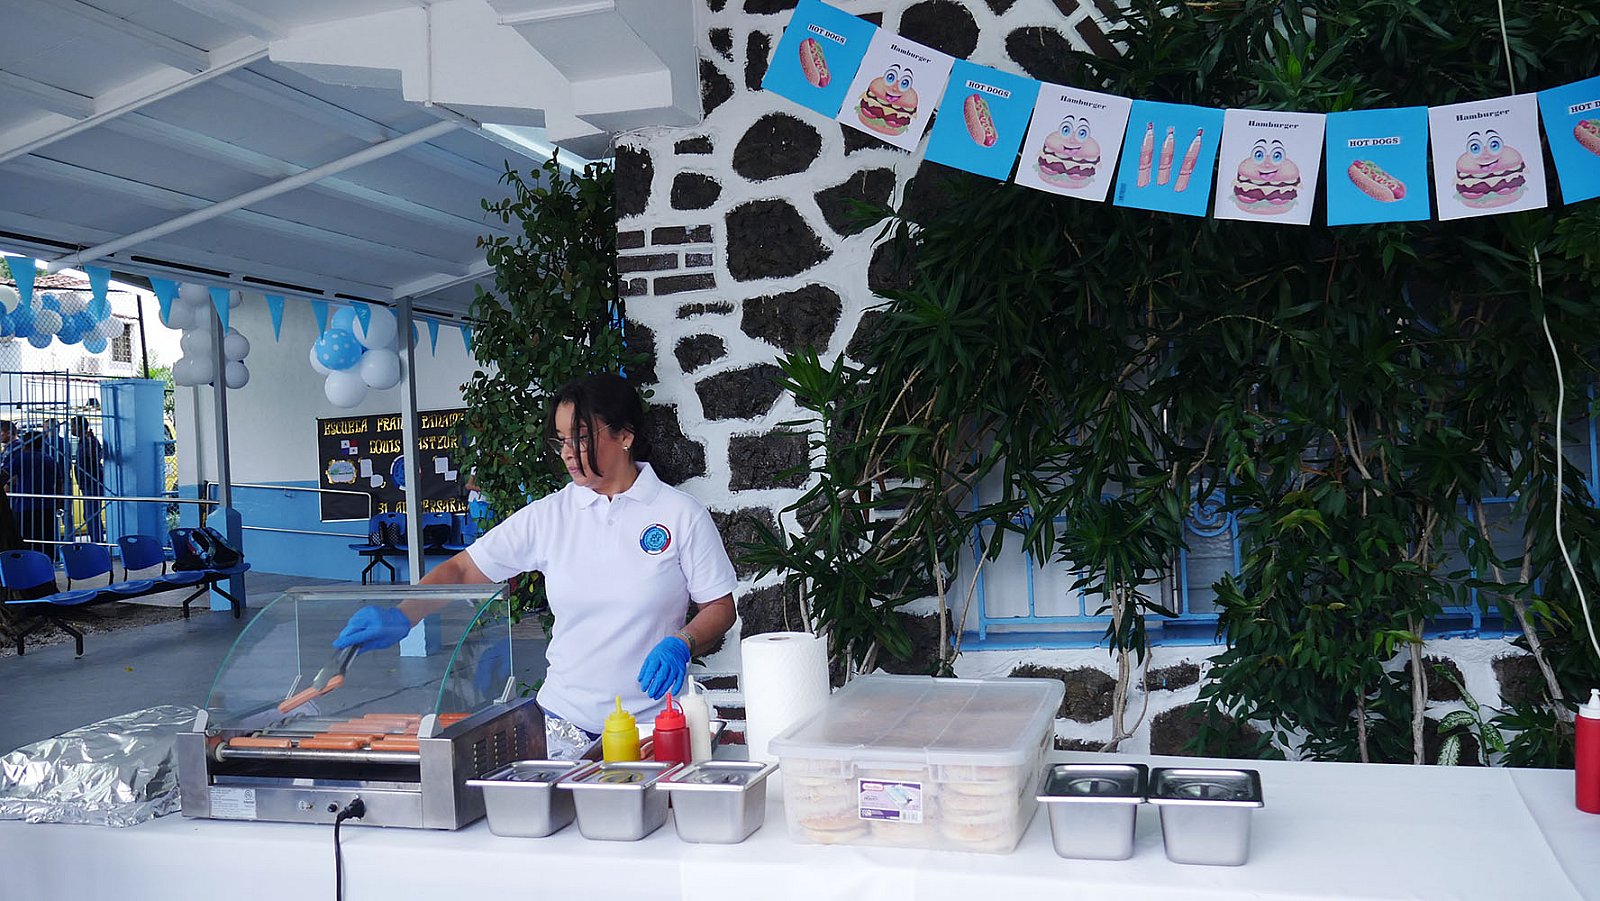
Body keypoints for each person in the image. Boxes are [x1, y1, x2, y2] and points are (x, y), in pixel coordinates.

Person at [333, 374, 738, 756]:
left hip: (655, 728)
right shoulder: (550, 516)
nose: (567, 452)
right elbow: (463, 570)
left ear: (625, 435)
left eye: (580, 438)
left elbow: (720, 607)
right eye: (561, 440)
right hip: (563, 724)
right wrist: (404, 613)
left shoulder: (679, 514)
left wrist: (683, 642)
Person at [0, 420, 65, 557]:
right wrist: (58, 503)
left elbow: (4, 475)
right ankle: (47, 566)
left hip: (25, 507)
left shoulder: (21, 459)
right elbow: (59, 483)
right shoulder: (50, 459)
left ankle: (28, 567)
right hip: (47, 507)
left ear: (25, 444)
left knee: (26, 542)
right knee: (45, 541)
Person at [69, 416, 105, 544]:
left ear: (79, 427)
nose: (71, 429)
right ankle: (95, 541)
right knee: (89, 514)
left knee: (92, 514)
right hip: (86, 483)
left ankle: (97, 542)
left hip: (93, 482)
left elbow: (95, 457)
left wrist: (89, 441)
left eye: (72, 426)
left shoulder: (90, 440)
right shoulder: (82, 441)